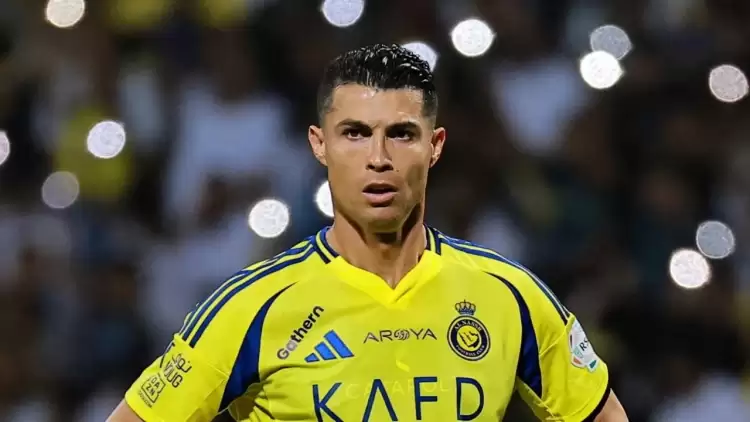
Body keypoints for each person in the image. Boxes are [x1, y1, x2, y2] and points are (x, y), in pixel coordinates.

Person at [108, 44, 628, 422]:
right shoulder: (253, 308)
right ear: (319, 145)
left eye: (401, 134)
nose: (378, 158)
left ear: (434, 147)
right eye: (355, 134)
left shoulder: (509, 296)